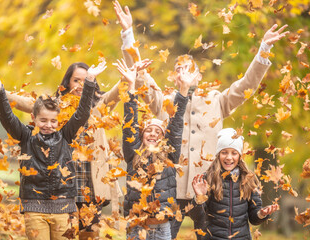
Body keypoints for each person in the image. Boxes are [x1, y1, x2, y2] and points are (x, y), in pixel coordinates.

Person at [113, 1, 289, 237]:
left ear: (198, 74)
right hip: (169, 193)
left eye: (188, 68)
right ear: (174, 76)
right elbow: (139, 75)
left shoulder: (217, 100)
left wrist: (263, 50)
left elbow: (246, 85)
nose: (182, 72)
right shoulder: (162, 100)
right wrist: (127, 34)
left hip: (207, 192)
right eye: (178, 69)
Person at [0, 61, 121, 239]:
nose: (80, 85)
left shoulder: (95, 107)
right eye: (77, 80)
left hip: (86, 182)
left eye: (85, 81)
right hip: (55, 186)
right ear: (67, 82)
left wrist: (131, 57)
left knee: (89, 234)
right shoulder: (50, 107)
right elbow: (14, 106)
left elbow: (113, 93)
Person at [117, 57, 198, 240]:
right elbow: (130, 122)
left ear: (163, 137)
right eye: (149, 131)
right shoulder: (133, 153)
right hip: (136, 226)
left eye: (158, 132)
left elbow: (176, 123)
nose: (153, 134)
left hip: (161, 227)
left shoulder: (169, 155)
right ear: (142, 135)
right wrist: (131, 87)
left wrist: (183, 90)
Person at [189, 128, 279, 239]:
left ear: (240, 156)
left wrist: (262, 214)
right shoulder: (208, 178)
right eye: (224, 152)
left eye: (234, 153)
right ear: (218, 155)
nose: (229, 157)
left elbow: (253, 218)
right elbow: (196, 217)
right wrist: (199, 197)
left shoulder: (249, 180)